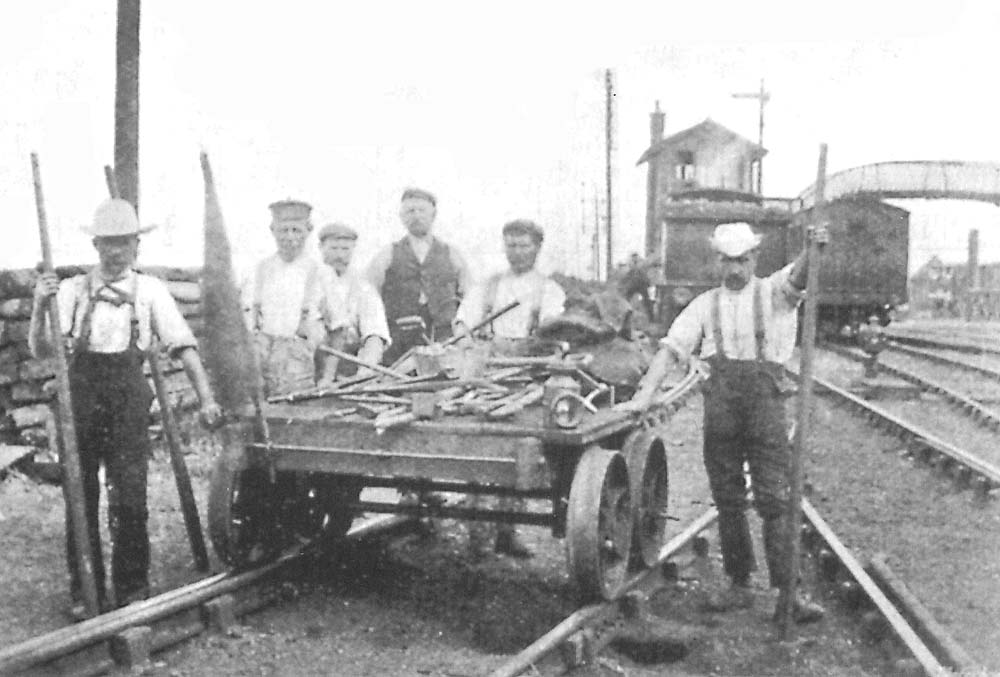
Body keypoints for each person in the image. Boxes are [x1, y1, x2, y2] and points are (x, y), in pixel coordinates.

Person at [621, 221, 827, 624]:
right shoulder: (704, 305)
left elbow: (799, 278)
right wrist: (644, 395)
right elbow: (671, 348)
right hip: (722, 411)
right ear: (718, 261)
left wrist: (812, 250)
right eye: (728, 260)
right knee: (728, 499)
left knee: (775, 499)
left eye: (743, 259)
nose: (736, 268)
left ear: (755, 258)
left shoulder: (773, 294)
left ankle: (790, 592)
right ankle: (739, 583)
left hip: (764, 406)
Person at [29, 199, 222, 616]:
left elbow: (184, 347)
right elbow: (42, 348)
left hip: (127, 400)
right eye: (108, 244)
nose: (116, 252)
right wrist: (38, 307)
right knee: (80, 497)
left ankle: (132, 589)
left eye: (124, 243)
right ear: (96, 245)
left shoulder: (150, 291)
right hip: (80, 398)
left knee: (130, 496)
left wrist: (206, 399)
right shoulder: (71, 290)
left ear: (136, 246)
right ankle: (86, 592)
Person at [453, 219, 566, 559]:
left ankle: (507, 530)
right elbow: (462, 321)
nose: (517, 252)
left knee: (516, 451)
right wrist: (467, 339)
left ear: (537, 248)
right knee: (476, 444)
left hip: (525, 374)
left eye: (524, 245)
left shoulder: (550, 290)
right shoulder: (486, 287)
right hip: (484, 371)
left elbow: (555, 333)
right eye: (511, 245)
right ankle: (476, 533)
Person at [367, 187, 472, 364]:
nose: (416, 216)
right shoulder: (388, 254)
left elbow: (469, 295)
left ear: (433, 214)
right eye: (410, 211)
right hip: (400, 341)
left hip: (444, 338)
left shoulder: (451, 253)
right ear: (402, 217)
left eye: (421, 210)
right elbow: (370, 294)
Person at [241, 199, 332, 396]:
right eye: (284, 230)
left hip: (298, 372)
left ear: (308, 230)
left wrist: (328, 377)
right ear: (273, 230)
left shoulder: (321, 273)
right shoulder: (259, 270)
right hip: (259, 368)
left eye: (296, 230)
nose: (290, 237)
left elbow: (339, 330)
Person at [315, 221, 391, 384]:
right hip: (311, 364)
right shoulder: (311, 281)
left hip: (350, 367)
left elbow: (375, 334)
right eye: (334, 249)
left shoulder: (363, 287)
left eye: (345, 249)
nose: (339, 255)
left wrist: (364, 373)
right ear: (320, 248)